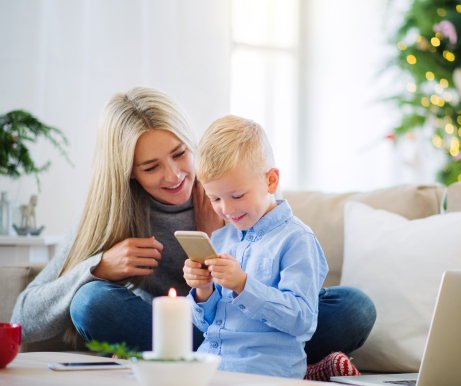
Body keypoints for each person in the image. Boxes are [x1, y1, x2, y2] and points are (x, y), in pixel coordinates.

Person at [10, 87, 376, 372]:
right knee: (91, 303)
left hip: (257, 328)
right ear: (129, 173)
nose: (174, 175)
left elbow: (296, 294)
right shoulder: (112, 214)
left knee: (354, 307)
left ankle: (282, 366)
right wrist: (98, 267)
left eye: (181, 153)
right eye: (151, 167)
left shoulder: (235, 195)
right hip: (182, 332)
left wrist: (226, 235)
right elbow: (22, 318)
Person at [184, 115, 331, 378]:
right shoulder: (220, 239)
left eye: (237, 195)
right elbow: (206, 325)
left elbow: (302, 320)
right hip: (207, 369)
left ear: (271, 181)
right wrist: (203, 290)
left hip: (260, 373)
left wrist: (243, 284)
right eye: (215, 198)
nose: (226, 209)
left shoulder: (296, 240)